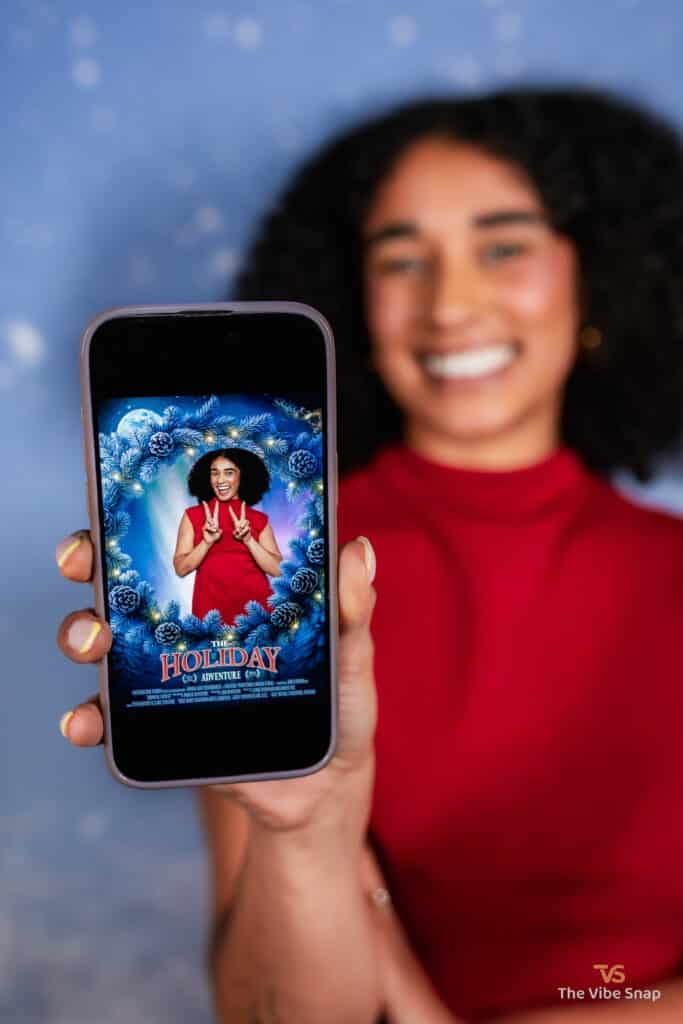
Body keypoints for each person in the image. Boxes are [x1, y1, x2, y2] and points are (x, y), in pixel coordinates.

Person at [55, 85, 683, 1023]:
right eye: (401, 261)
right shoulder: (317, 586)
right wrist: (308, 835)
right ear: (355, 303)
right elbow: (268, 1012)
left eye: (502, 246)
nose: (450, 304)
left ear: (599, 277)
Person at [174, 447, 283, 625]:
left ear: (242, 477)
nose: (220, 480)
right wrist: (206, 543)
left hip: (257, 615)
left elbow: (278, 571)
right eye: (214, 473)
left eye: (229, 472)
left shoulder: (258, 519)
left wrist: (249, 540)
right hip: (211, 616)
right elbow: (181, 569)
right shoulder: (192, 515)